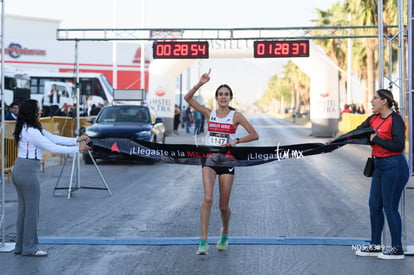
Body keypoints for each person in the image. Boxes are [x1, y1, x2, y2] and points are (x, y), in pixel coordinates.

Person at [184, 69, 259, 255]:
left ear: (230, 98)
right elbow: (188, 98)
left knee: (223, 206)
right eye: (220, 94)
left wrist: (236, 141)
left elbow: (254, 135)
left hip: (227, 160)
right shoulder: (210, 113)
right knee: (207, 198)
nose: (223, 97)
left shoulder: (236, 116)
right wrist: (200, 83)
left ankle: (224, 233)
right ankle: (203, 241)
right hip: (209, 158)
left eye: (226, 94)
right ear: (216, 97)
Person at [12, 99, 90, 257]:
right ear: (32, 112)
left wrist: (76, 140)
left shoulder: (27, 128)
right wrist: (78, 149)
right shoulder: (33, 131)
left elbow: (54, 138)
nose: (40, 112)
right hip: (28, 171)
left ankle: (21, 246)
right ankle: (30, 248)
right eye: (38, 110)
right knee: (32, 212)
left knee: (24, 211)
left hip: (20, 169)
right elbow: (52, 147)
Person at [352, 89, 409, 259]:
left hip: (394, 166)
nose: (371, 101)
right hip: (378, 166)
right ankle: (375, 245)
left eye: (375, 98)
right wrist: (334, 142)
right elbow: (356, 132)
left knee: (389, 208)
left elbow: (398, 146)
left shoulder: (395, 120)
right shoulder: (373, 119)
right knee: (374, 205)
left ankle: (397, 248)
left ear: (384, 101)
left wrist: (376, 139)